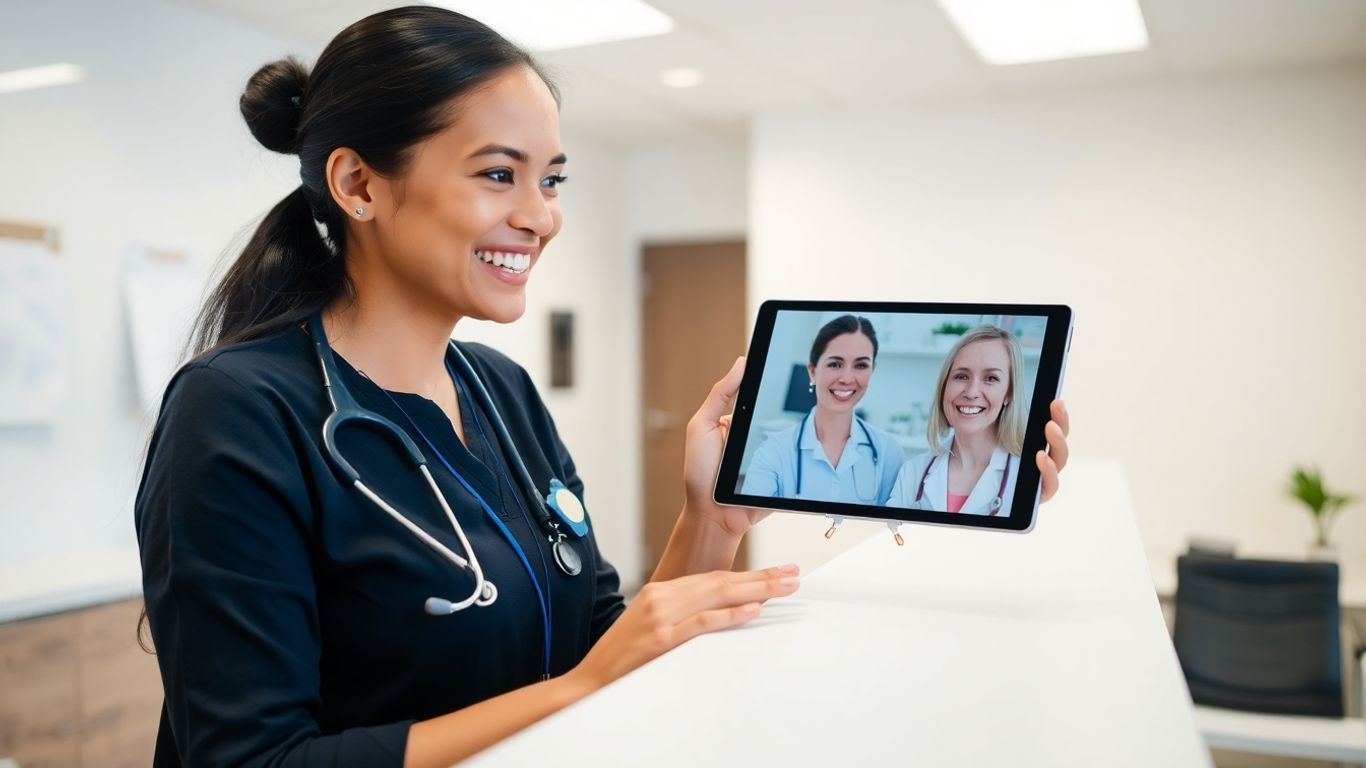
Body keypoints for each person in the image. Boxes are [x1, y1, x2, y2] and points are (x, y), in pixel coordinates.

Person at [135, 8, 1070, 767]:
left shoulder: (499, 391)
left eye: (552, 178)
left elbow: (596, 649)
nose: (540, 216)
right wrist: (581, 690)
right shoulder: (238, 411)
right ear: (359, 185)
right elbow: (252, 760)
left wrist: (710, 520)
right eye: (499, 173)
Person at [741, 315, 904, 504]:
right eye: (835, 364)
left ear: (872, 371)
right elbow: (753, 528)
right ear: (812, 372)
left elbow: (893, 527)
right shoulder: (773, 452)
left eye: (861, 365)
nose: (847, 378)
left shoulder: (888, 451)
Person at [888, 325, 1034, 515]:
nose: (972, 392)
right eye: (961, 376)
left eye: (990, 378)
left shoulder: (1029, 477)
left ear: (1009, 394)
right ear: (944, 387)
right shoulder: (912, 473)